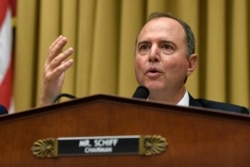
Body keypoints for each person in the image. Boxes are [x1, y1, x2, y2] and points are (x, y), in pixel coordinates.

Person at [40, 12, 249, 114]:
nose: (153, 55)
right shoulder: (110, 125)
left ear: (190, 64)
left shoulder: (228, 119)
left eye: (166, 46)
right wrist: (48, 99)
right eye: (144, 47)